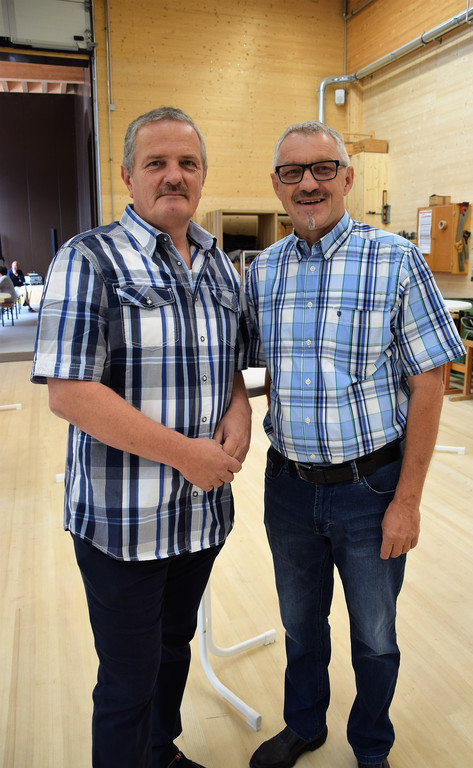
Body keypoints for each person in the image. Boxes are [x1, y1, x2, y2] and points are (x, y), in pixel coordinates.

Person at [31, 106, 252, 768]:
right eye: (156, 162)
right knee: (127, 681)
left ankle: (161, 752)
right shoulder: (88, 259)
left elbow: (229, 365)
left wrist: (240, 407)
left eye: (187, 163)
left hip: (198, 517)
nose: (173, 175)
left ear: (203, 175)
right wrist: (187, 455)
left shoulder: (219, 266)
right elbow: (69, 391)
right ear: (128, 176)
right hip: (123, 522)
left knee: (173, 648)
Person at [244, 121, 465, 768]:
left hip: (371, 489)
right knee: (299, 626)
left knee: (374, 635)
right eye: (292, 172)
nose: (308, 183)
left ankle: (371, 746)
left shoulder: (394, 260)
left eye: (322, 168)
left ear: (346, 177)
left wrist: (408, 501)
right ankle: (304, 725)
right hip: (288, 487)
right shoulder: (263, 272)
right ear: (277, 186)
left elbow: (429, 381)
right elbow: (254, 370)